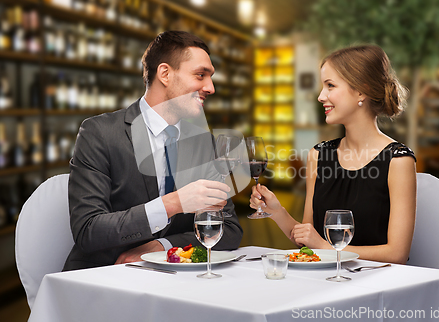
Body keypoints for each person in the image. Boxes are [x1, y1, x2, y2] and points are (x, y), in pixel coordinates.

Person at [63, 31, 243, 271]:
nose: (210, 88)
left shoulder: (202, 142)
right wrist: (173, 204)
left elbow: (229, 229)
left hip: (173, 281)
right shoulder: (99, 133)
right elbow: (88, 230)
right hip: (105, 277)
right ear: (165, 74)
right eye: (201, 75)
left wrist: (163, 246)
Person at [251, 45, 416, 264]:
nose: (321, 96)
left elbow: (397, 254)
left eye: (330, 85)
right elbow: (308, 241)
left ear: (361, 91)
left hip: (375, 286)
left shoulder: (398, 160)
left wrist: (324, 248)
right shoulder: (318, 156)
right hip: (324, 281)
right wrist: (277, 212)